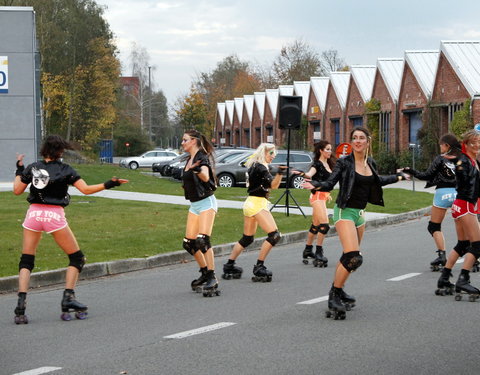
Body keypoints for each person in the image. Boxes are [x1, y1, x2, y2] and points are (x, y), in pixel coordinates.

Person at [13, 135, 128, 324]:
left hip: (33, 215)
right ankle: (68, 298)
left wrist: (19, 169)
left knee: (27, 260)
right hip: (54, 216)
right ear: (60, 151)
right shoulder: (66, 170)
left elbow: (17, 190)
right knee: (77, 258)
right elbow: (86, 190)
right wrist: (110, 183)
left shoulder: (33, 167)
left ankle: (20, 306)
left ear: (44, 150)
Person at [302, 127, 408, 319]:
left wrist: (399, 176)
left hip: (360, 215)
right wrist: (315, 185)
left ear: (368, 141)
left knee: (348, 258)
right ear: (351, 142)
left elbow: (379, 181)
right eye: (354, 138)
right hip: (344, 212)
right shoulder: (344, 163)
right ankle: (334, 294)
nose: (357, 141)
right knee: (354, 256)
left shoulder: (370, 163)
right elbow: (330, 182)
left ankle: (339, 290)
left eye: (361, 138)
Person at [222, 143, 285, 282]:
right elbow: (274, 186)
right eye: (271, 153)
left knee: (247, 238)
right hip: (257, 204)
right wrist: (280, 173)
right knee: (274, 235)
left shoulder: (256, 165)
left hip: (251, 202)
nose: (273, 156)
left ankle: (229, 265)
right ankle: (259, 266)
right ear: (264, 153)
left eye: (274, 153)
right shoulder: (261, 167)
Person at [403, 134, 461, 271]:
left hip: (442, 194)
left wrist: (411, 171)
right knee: (464, 228)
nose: (440, 147)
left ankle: (442, 256)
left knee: (434, 226)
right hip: (459, 194)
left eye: (441, 144)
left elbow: (426, 176)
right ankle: (473, 258)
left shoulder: (440, 159)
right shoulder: (462, 159)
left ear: (447, 146)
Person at [436, 129, 480, 300]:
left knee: (462, 244)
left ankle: (444, 277)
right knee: (477, 245)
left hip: (462, 206)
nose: (477, 145)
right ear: (466, 144)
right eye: (473, 142)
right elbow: (463, 180)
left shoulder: (473, 160)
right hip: (465, 205)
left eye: (479, 142)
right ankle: (463, 279)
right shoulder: (464, 161)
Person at [180, 129, 220, 297]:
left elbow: (204, 175)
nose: (182, 143)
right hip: (194, 205)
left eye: (185, 140)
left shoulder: (201, 158)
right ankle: (204, 273)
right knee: (189, 243)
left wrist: (197, 171)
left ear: (194, 141)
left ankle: (212, 277)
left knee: (203, 240)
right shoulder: (189, 159)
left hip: (206, 203)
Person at [293, 140, 336, 267]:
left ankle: (307, 250)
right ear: (321, 151)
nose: (330, 151)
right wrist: (302, 174)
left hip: (323, 197)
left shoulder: (330, 163)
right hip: (316, 197)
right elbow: (309, 174)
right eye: (327, 149)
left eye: (330, 149)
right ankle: (318, 252)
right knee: (324, 225)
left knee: (315, 226)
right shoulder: (317, 164)